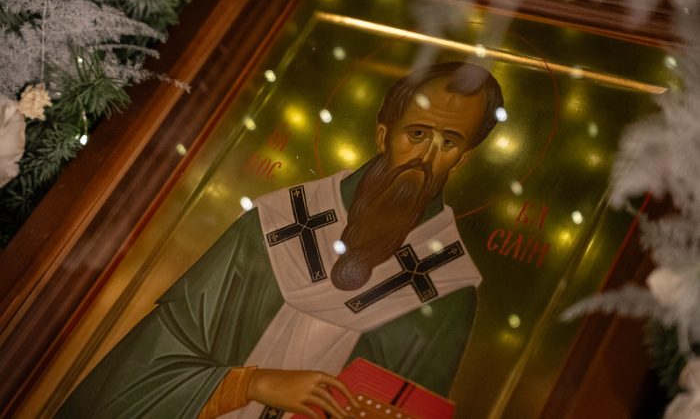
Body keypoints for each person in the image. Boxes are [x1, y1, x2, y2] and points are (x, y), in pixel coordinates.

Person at [56, 61, 503, 419]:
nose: (426, 156)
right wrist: (253, 384)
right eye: (417, 134)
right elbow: (148, 365)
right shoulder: (277, 222)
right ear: (384, 135)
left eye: (449, 142)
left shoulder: (446, 287)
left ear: (461, 160)